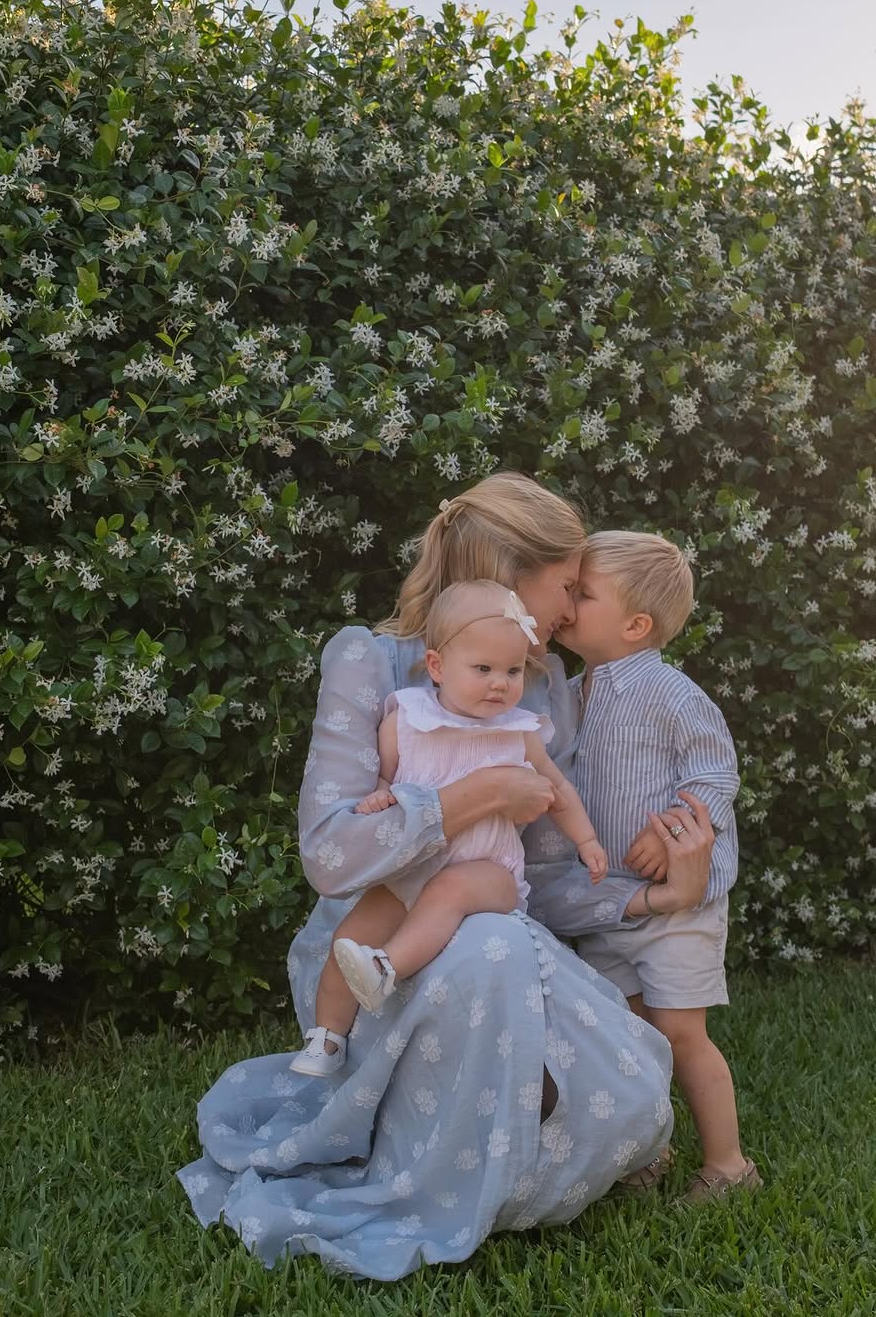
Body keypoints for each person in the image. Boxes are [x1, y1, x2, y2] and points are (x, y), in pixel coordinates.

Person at [177, 473, 715, 1281]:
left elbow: (547, 877)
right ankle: (434, 1165)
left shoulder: (540, 687)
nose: (570, 611)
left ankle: (504, 1129)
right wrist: (476, 796)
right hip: (374, 953)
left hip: (499, 937)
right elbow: (329, 857)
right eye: (566, 587)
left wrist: (651, 896)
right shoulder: (370, 661)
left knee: (618, 1082)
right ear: (510, 577)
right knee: (490, 951)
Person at [289, 579, 608, 1076]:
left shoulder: (518, 733)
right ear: (437, 667)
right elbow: (385, 778)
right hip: (412, 865)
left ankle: (388, 966)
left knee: (451, 890)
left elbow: (558, 790)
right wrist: (379, 795)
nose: (500, 683)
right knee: (350, 934)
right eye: (483, 669)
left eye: (513, 671)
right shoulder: (407, 720)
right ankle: (326, 1037)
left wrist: (585, 839)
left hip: (488, 870)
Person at [552, 530, 761, 1202]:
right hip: (610, 899)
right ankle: (651, 1147)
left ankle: (729, 1165)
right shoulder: (571, 694)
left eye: (583, 594)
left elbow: (714, 774)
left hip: (679, 902)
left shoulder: (672, 694)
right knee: (631, 1033)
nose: (566, 604)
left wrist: (670, 830)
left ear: (635, 625)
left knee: (679, 1030)